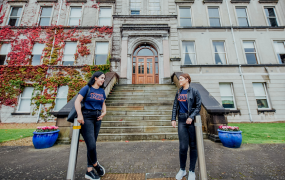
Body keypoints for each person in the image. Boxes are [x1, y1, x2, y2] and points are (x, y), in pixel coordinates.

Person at [75, 71, 107, 180]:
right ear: (95, 78)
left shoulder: (102, 91)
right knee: (92, 145)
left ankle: (89, 171)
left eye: (104, 78)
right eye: (101, 78)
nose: (103, 80)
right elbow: (77, 101)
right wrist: (79, 114)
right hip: (87, 117)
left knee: (91, 145)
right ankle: (95, 165)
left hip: (97, 118)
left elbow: (103, 103)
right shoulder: (86, 88)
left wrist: (104, 113)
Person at [171, 73, 202, 180]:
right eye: (179, 79)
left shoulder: (194, 91)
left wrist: (192, 116)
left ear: (187, 79)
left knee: (193, 146)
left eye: (181, 79)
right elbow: (175, 105)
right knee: (183, 147)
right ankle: (182, 170)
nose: (179, 80)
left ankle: (192, 171)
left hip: (191, 121)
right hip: (181, 120)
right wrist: (173, 118)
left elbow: (198, 106)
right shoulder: (179, 91)